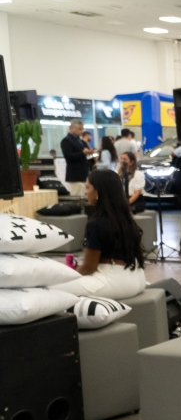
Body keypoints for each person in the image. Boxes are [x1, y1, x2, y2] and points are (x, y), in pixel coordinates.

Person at [52, 169, 146, 300]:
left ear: (98, 192)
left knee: (51, 287)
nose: (86, 192)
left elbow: (89, 267)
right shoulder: (125, 217)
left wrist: (72, 273)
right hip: (138, 278)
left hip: (115, 282)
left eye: (88, 187)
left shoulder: (97, 223)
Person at [60, 119, 91, 196]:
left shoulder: (79, 140)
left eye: (82, 129)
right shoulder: (66, 141)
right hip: (75, 175)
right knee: (77, 197)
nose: (82, 131)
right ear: (72, 128)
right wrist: (82, 153)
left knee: (84, 196)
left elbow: (84, 151)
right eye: (80, 129)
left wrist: (89, 152)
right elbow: (69, 156)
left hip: (83, 174)